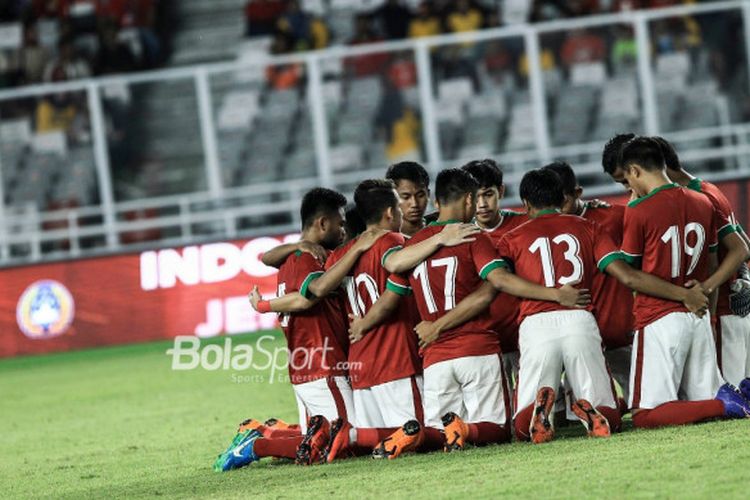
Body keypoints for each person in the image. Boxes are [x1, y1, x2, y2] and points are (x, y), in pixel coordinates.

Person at [354, 168, 591, 458]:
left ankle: (410, 433)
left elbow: (393, 269)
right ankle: (464, 430)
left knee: (440, 437)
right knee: (498, 430)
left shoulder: (414, 244)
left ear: (436, 201)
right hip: (476, 348)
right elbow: (493, 287)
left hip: (435, 359)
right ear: (468, 199)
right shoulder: (472, 237)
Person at [606, 136, 750, 428]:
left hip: (665, 315)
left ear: (635, 170)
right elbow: (716, 257)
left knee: (646, 413)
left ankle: (728, 400)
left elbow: (633, 274)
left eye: (626, 180)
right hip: (700, 311)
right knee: (700, 400)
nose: (628, 189)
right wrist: (703, 298)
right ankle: (730, 398)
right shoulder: (703, 199)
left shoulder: (640, 209)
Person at [652, 136, 750, 393]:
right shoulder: (709, 189)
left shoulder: (695, 198)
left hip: (725, 313)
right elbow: (743, 244)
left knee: (728, 398)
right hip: (735, 310)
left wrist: (706, 291)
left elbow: (739, 250)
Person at [542, 161, 634, 409]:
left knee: (645, 399)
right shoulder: (543, 230)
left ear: (578, 193)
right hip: (575, 335)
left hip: (617, 331)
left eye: (563, 202)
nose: (558, 210)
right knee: (580, 408)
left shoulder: (613, 218)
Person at [460, 159, 527, 397]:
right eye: (475, 197)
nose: (481, 204)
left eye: (487, 194)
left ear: (501, 190)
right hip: (486, 340)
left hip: (525, 334)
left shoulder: (524, 224)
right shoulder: (458, 234)